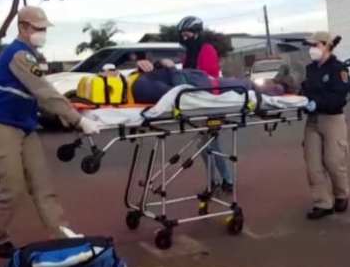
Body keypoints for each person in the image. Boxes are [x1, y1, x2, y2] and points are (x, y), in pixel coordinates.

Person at [0, 6, 102, 258]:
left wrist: (64, 116)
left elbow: (39, 97)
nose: (42, 33)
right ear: (23, 28)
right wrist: (78, 120)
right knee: (11, 185)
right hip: (0, 124)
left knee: (42, 182)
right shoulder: (19, 56)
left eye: (44, 28)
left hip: (23, 124)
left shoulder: (29, 55)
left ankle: (60, 231)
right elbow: (44, 91)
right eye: (38, 28)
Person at [138, 16, 231, 194]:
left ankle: (219, 182)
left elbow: (206, 77)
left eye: (187, 35)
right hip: (197, 101)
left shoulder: (207, 50)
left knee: (207, 145)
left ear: (197, 34)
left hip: (209, 100)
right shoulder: (189, 54)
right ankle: (222, 181)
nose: (184, 39)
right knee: (209, 144)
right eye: (182, 35)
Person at [300, 31, 350, 220]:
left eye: (316, 45)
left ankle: (341, 195)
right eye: (311, 46)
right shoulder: (311, 69)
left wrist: (318, 103)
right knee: (313, 164)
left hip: (332, 119)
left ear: (327, 45)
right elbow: (304, 89)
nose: (312, 50)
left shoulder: (338, 69)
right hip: (313, 120)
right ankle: (322, 203)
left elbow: (339, 96)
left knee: (334, 161)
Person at [105, 58, 295, 104]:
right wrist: (171, 67)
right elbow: (178, 91)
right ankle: (285, 86)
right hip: (205, 87)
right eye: (105, 75)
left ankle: (278, 82)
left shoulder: (133, 80)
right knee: (248, 86)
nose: (109, 72)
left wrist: (156, 64)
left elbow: (158, 75)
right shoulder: (141, 87)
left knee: (245, 84)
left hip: (202, 80)